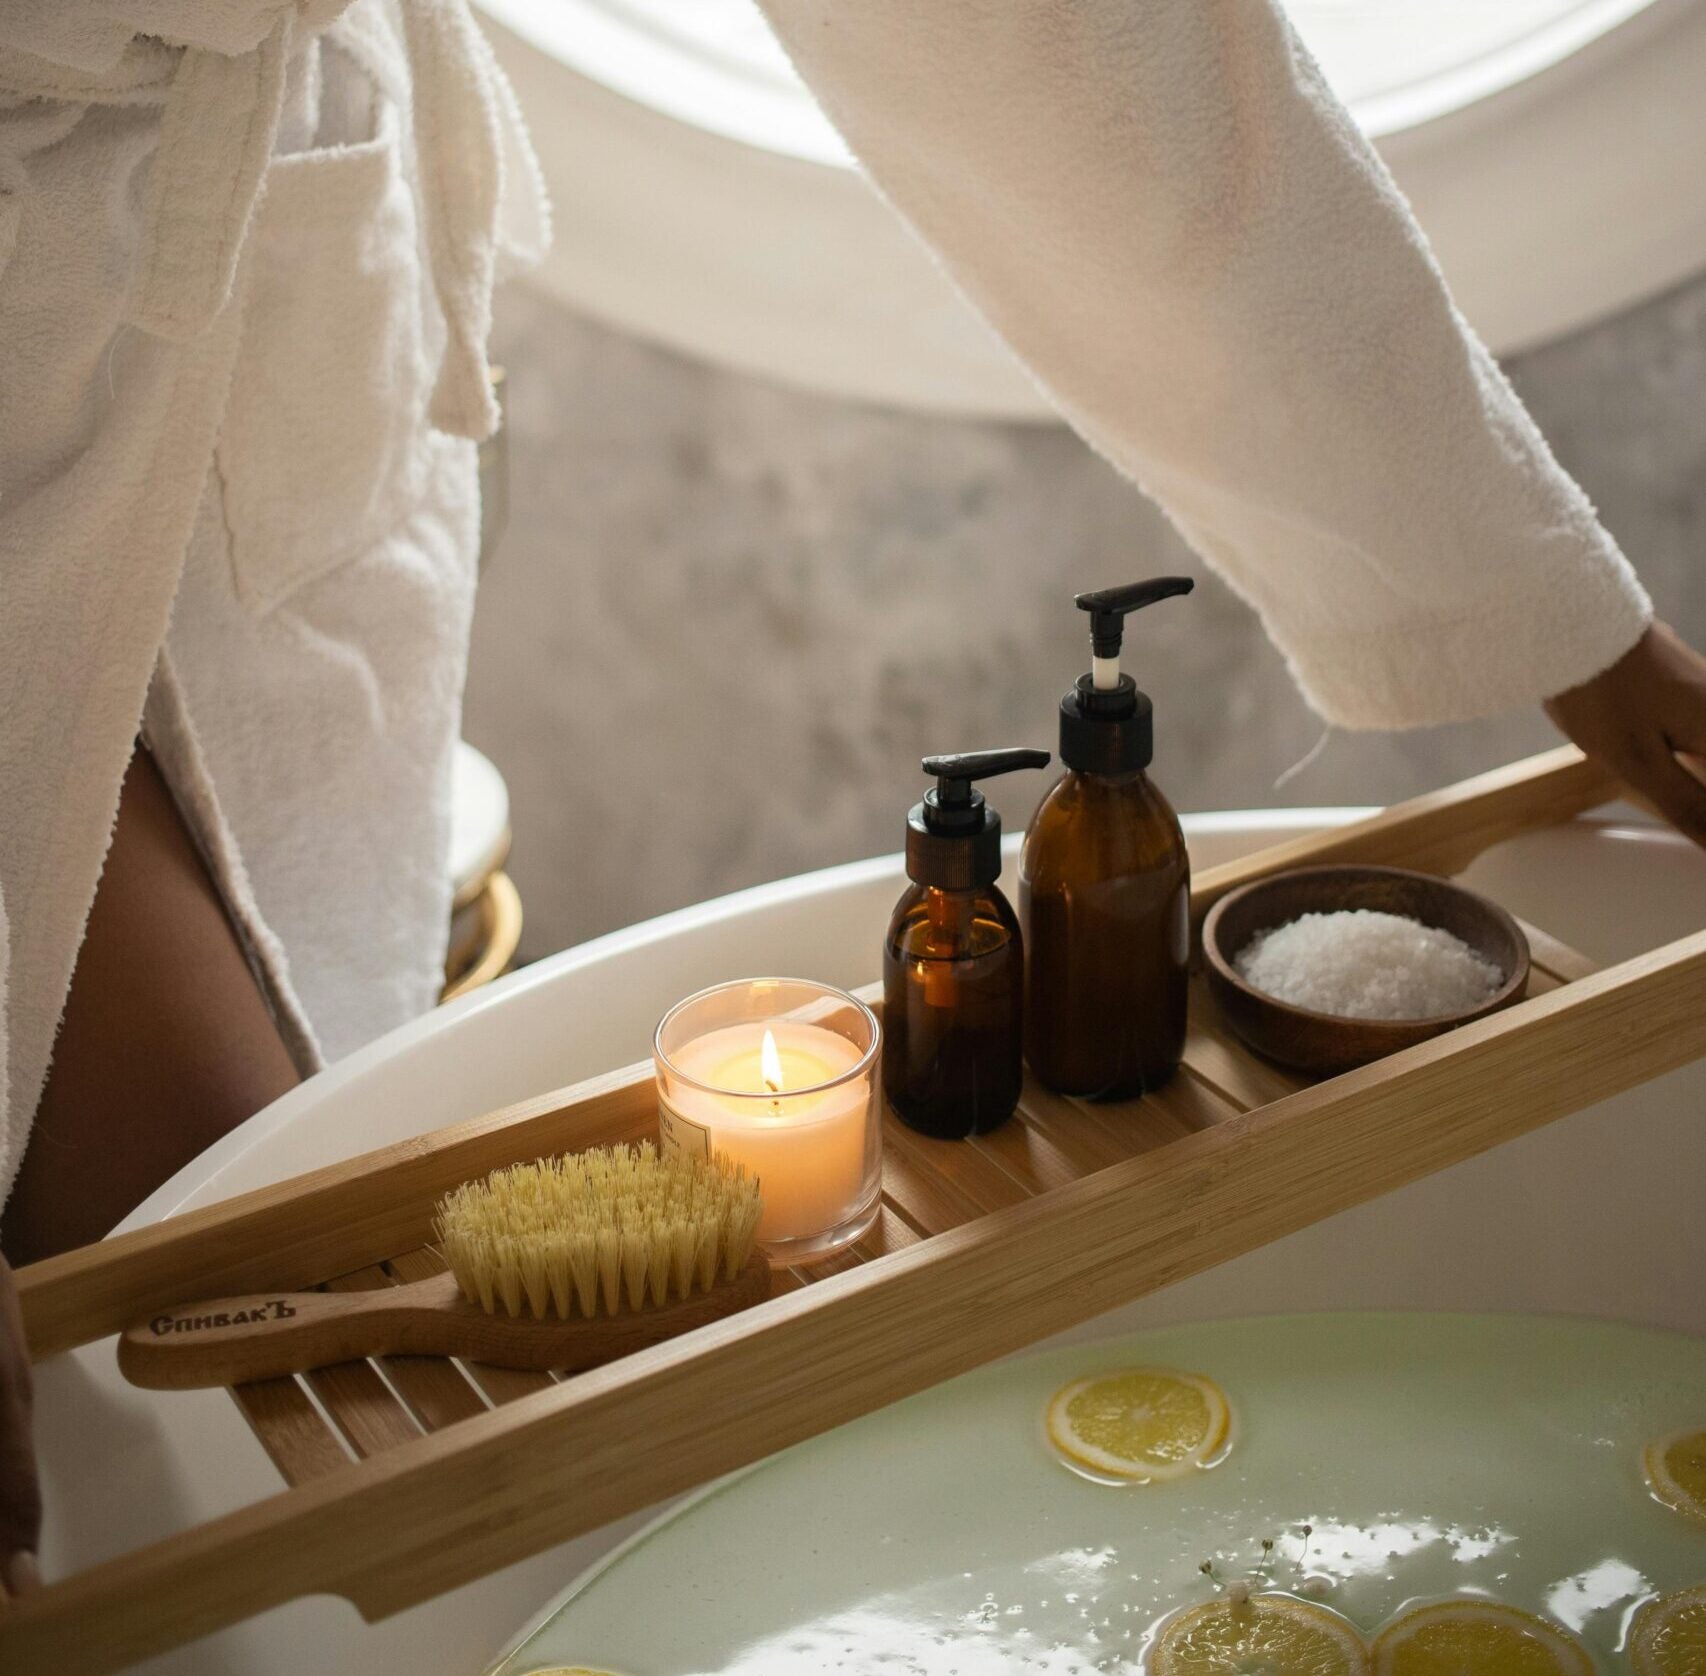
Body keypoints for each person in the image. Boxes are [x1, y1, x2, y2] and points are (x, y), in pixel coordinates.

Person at [1, 0, 1702, 1607]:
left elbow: (1054, 46)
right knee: (169, 1401)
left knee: (242, 1250)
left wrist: (1516, 579)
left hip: (231, 279)